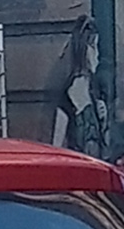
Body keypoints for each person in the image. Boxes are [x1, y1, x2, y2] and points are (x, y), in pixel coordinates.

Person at [45, 14, 109, 158]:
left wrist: (103, 120)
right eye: (93, 47)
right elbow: (57, 147)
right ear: (83, 49)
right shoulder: (68, 96)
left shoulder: (95, 90)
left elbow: (105, 147)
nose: (97, 54)